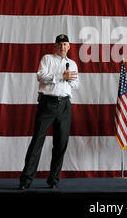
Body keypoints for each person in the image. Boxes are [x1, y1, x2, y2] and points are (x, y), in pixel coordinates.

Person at [18, 34, 80, 190]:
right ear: (55, 46)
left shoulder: (72, 64)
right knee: (37, 141)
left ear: (69, 46)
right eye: (59, 44)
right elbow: (40, 77)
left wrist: (70, 79)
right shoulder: (47, 59)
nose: (62, 47)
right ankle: (25, 181)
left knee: (61, 144)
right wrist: (61, 76)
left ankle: (53, 180)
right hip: (48, 104)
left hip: (65, 104)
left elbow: (77, 84)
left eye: (65, 44)